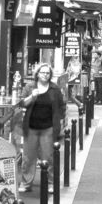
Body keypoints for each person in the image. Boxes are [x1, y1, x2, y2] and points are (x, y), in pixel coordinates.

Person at [18, 63, 65, 193]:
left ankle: (51, 183)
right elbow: (22, 103)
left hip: (48, 128)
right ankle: (26, 183)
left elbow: (61, 106)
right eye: (43, 72)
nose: (45, 75)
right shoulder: (29, 87)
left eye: (48, 73)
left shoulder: (54, 89)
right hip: (31, 127)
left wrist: (59, 121)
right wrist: (32, 96)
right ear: (37, 74)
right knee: (28, 157)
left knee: (48, 157)